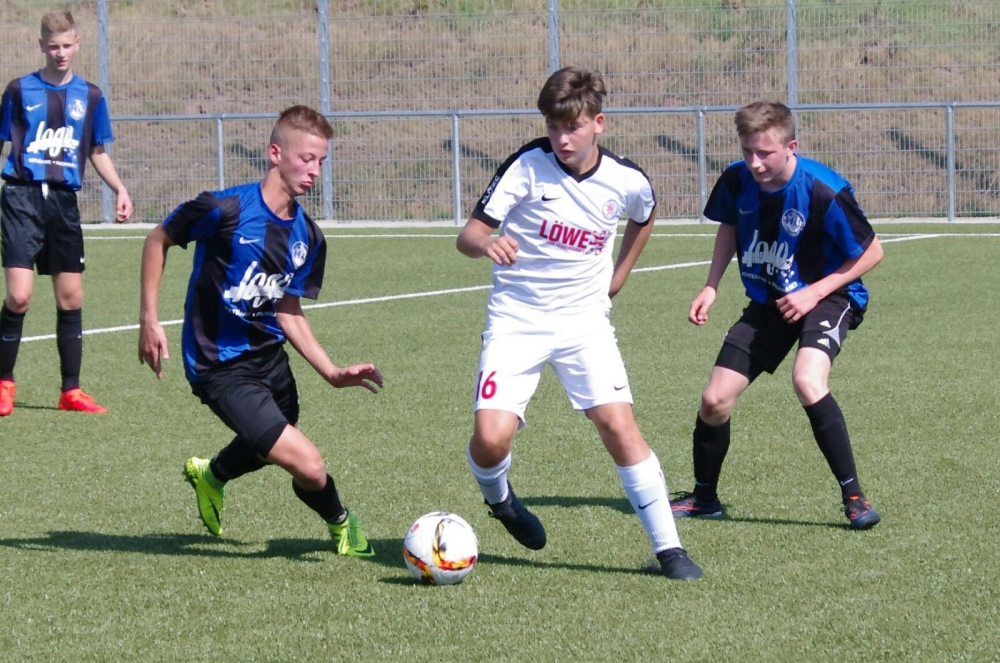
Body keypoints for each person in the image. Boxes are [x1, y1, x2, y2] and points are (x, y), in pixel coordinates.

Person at [456, 66, 702, 580]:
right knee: (491, 439)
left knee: (619, 425)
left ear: (599, 123)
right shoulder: (527, 165)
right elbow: (469, 235)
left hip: (584, 322)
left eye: (573, 127)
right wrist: (487, 242)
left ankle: (670, 550)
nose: (562, 139)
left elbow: (644, 213)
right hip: (517, 320)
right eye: (553, 127)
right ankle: (499, 499)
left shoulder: (626, 179)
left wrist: (620, 273)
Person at [138, 105, 383, 556]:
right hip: (217, 364)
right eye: (306, 158)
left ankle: (210, 475)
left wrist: (332, 372)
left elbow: (288, 310)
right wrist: (149, 319)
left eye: (322, 161)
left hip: (270, 358)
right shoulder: (223, 209)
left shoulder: (309, 236)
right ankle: (344, 525)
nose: (315, 171)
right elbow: (159, 238)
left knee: (272, 441)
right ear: (275, 153)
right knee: (309, 465)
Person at [669, 101, 884, 530]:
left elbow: (872, 251)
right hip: (771, 301)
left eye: (765, 153)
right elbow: (729, 226)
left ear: (791, 147)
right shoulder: (737, 179)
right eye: (747, 151)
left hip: (830, 295)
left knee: (806, 379)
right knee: (714, 400)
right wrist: (711, 285)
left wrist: (813, 292)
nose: (755, 162)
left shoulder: (823, 189)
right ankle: (705, 498)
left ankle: (855, 498)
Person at [0, 9, 132, 416]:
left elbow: (96, 151)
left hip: (63, 202)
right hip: (21, 197)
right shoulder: (18, 90)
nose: (60, 53)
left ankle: (70, 391)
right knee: (19, 296)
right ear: (41, 45)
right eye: (53, 46)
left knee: (71, 298)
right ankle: (4, 384)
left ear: (77, 45)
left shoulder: (90, 96)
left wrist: (119, 188)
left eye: (67, 45)